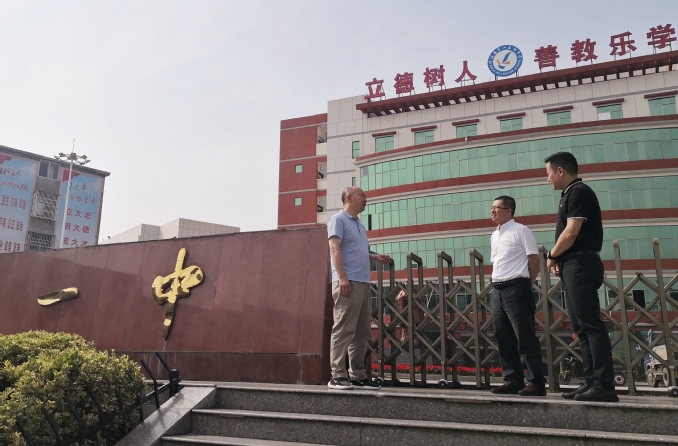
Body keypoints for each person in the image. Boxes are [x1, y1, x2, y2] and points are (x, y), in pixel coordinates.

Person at [545, 152, 618, 402]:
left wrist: (552, 255)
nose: (548, 179)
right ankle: (591, 382)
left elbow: (571, 232)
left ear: (560, 171)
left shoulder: (579, 192)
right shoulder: (569, 194)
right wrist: (560, 259)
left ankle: (604, 385)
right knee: (581, 328)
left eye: (549, 173)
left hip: (581, 264)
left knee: (590, 325)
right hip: (572, 264)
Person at [327, 186, 390, 390]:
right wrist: (342, 278)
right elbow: (334, 248)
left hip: (363, 283)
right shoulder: (338, 220)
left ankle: (358, 375)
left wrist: (374, 257)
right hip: (347, 282)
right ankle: (337, 375)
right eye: (362, 195)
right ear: (349, 197)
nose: (366, 199)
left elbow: (355, 250)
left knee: (362, 332)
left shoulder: (360, 225)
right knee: (343, 329)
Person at [489, 195, 547, 396]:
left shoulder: (521, 230)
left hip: (517, 287)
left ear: (509, 211)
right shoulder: (494, 235)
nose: (492, 211)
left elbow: (534, 259)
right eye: (491, 207)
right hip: (497, 289)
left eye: (497, 207)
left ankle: (536, 382)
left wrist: (527, 283)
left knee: (524, 336)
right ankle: (513, 380)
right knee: (503, 336)